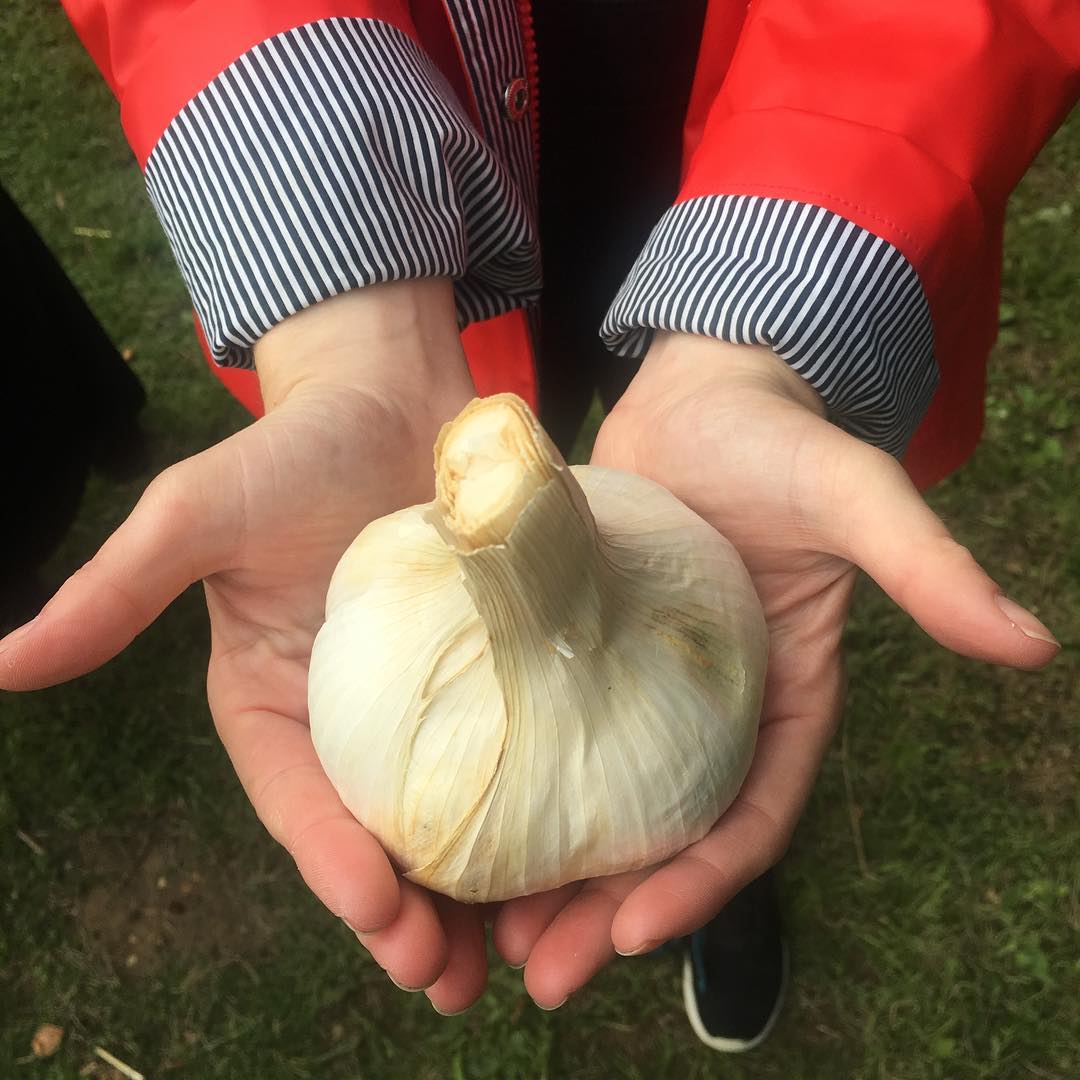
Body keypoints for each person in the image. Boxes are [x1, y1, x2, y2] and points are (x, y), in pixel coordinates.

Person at [2, 0, 1074, 1053]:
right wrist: (343, 301)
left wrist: (772, 334)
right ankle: (690, 792)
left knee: (722, 706)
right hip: (427, 182)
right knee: (569, 478)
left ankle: (708, 824)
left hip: (768, 117)